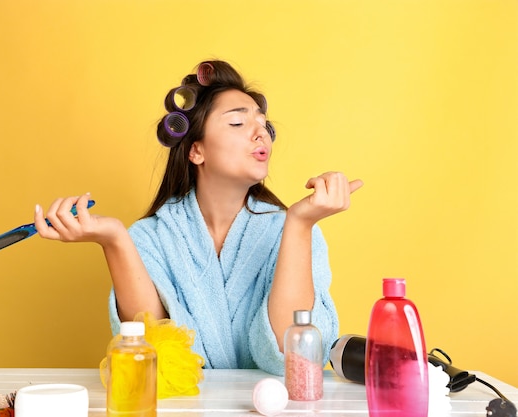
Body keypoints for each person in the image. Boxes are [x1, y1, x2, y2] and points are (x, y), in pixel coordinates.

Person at [34, 60, 363, 375]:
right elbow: (153, 348)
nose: (260, 133)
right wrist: (115, 239)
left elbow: (294, 358)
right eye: (238, 123)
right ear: (196, 150)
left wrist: (300, 223)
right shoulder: (150, 237)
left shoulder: (295, 232)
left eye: (264, 126)